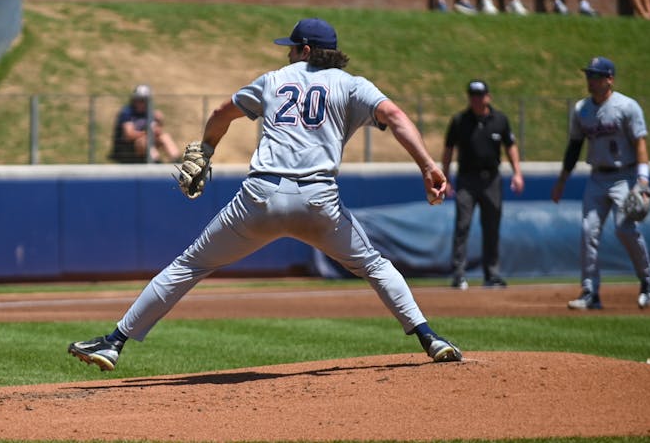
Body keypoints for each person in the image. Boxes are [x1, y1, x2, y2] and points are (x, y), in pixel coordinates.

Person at [68, 18, 463, 371]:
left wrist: (206, 150)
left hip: (260, 198)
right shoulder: (352, 85)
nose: (288, 53)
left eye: (292, 47)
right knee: (374, 265)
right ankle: (430, 338)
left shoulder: (274, 79)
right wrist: (428, 165)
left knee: (188, 266)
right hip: (318, 201)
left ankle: (115, 342)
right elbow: (394, 116)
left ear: (305, 50)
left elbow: (223, 111)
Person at [550, 56, 650, 310]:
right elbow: (574, 147)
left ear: (609, 79)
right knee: (589, 230)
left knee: (625, 229)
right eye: (589, 75)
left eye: (597, 75)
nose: (591, 79)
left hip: (626, 175)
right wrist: (561, 182)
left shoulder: (627, 106)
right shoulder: (582, 109)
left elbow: (640, 143)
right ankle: (590, 291)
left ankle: (647, 279)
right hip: (598, 175)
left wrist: (643, 182)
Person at [441, 80, 523, 290]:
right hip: (466, 180)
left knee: (492, 227)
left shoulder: (500, 120)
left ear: (488, 96)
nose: (475, 99)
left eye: (479, 95)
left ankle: (492, 274)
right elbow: (449, 148)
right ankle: (459, 275)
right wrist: (445, 176)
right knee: (462, 226)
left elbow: (510, 146)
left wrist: (517, 173)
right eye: (472, 95)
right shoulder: (460, 120)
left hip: (491, 180)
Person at [109, 84, 181, 164]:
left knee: (165, 137)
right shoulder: (127, 112)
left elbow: (157, 131)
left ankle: (178, 163)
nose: (141, 103)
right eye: (139, 100)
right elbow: (129, 135)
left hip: (145, 141)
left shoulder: (149, 112)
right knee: (144, 142)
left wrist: (159, 122)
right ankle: (157, 165)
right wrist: (148, 132)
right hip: (128, 147)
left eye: (144, 100)